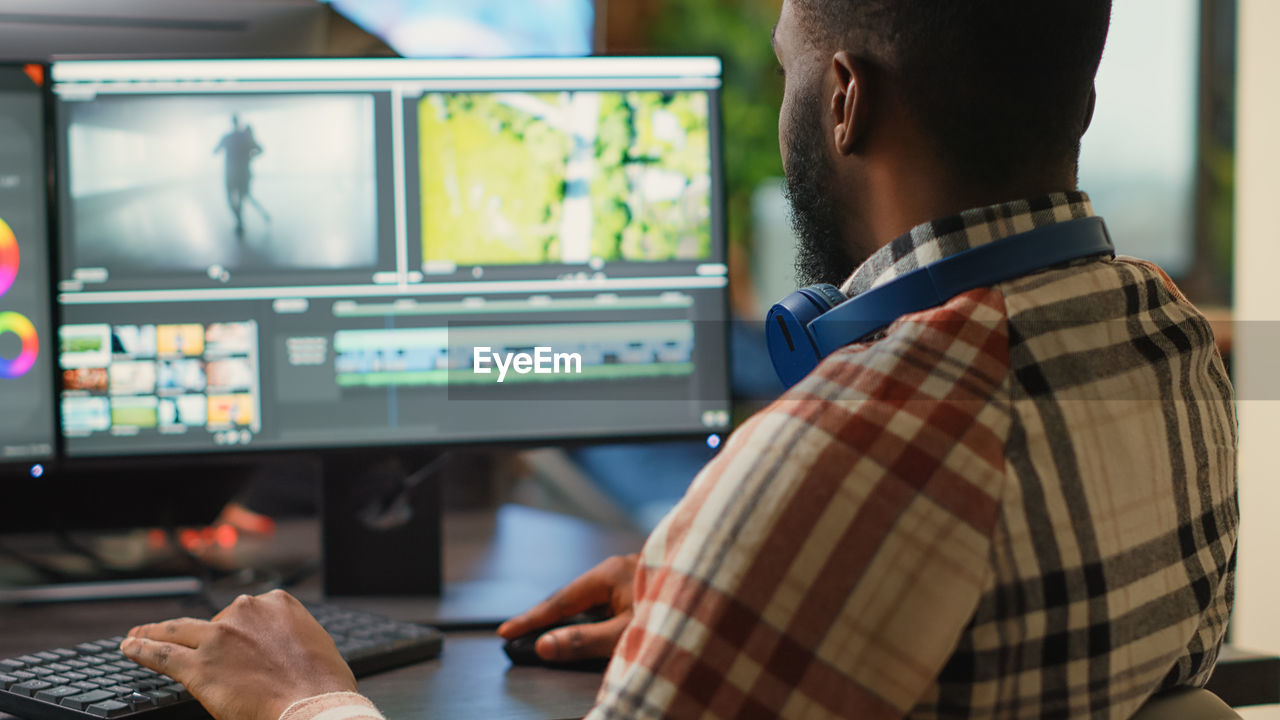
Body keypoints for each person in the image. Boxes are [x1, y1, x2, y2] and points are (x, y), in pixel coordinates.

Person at [120, 1, 1238, 719]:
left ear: (843, 100)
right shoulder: (1163, 342)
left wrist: (304, 702)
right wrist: (724, 591)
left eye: (790, 66)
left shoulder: (850, 443)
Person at [213, 114, 264, 237]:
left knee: (235, 199)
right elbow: (260, 149)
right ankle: (241, 221)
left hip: (233, 174)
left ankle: (240, 222)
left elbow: (215, 151)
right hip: (240, 173)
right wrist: (250, 157)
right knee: (242, 198)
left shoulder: (229, 137)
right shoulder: (244, 137)